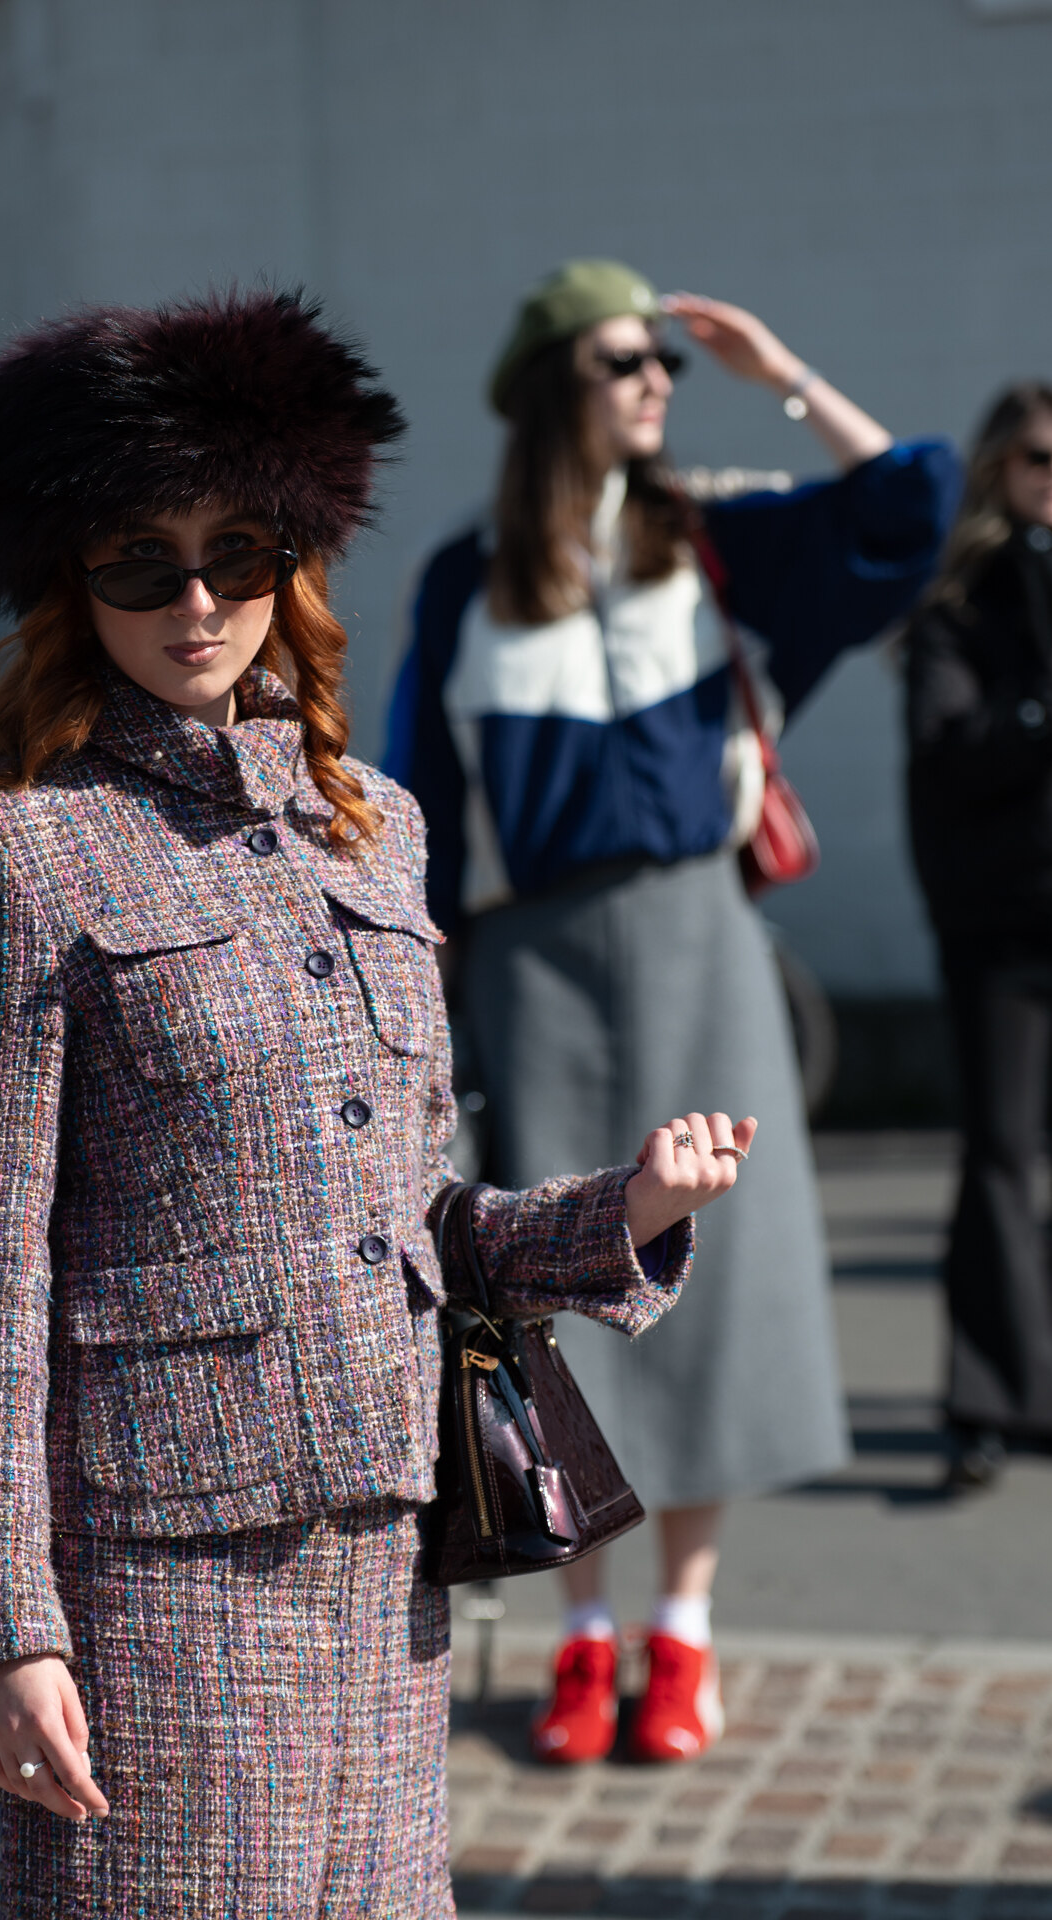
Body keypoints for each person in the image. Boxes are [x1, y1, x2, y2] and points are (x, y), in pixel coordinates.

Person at [0, 288, 755, 1918]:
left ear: (294, 557)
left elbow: (414, 1228)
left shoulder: (379, 832)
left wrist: (620, 1214)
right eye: (140, 560)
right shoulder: (6, 859)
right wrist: (2, 1625)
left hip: (387, 1547)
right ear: (69, 582)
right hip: (157, 1570)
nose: (196, 597)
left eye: (236, 549)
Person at [385, 260, 961, 1765]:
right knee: (555, 1295)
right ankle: (582, 1634)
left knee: (717, 1291)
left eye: (664, 363)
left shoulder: (707, 544)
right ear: (549, 385)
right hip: (532, 961)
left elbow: (914, 506)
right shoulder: (465, 575)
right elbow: (414, 809)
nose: (655, 380)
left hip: (703, 939)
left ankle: (682, 1635)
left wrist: (778, 366)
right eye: (624, 359)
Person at [904, 381, 1052, 1493]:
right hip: (1000, 921)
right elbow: (946, 755)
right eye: (1040, 458)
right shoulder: (961, 602)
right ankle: (987, 1402)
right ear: (1001, 468)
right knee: (998, 1158)